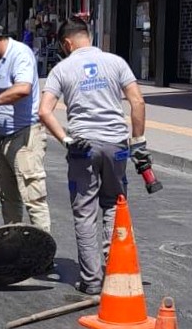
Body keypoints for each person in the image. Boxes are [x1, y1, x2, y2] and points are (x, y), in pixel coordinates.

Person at [38, 17, 148, 296]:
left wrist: (65, 140)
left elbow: (44, 111)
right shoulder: (116, 62)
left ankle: (91, 280)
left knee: (85, 212)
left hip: (83, 148)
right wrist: (138, 141)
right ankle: (115, 271)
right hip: (116, 145)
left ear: (66, 43)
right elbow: (137, 101)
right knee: (114, 205)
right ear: (87, 35)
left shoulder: (61, 69)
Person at [0, 33, 51, 233]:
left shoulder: (19, 53)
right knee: (7, 196)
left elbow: (23, 88)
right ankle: (13, 242)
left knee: (33, 197)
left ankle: (43, 247)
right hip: (2, 137)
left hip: (24, 135)